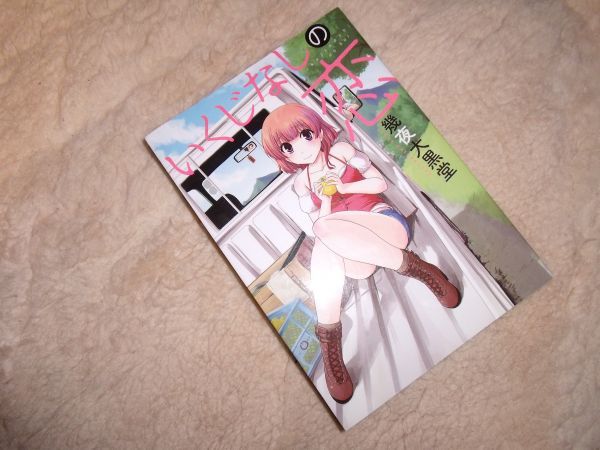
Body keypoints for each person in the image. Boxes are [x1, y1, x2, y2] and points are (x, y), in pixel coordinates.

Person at [261, 103, 460, 404]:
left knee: (324, 237)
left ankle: (330, 340)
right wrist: (326, 199)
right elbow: (322, 225)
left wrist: (341, 186)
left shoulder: (341, 152)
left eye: (304, 135)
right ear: (283, 156)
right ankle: (414, 271)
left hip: (384, 226)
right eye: (287, 147)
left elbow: (380, 183)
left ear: (317, 130)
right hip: (359, 256)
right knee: (324, 236)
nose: (299, 148)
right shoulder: (302, 184)